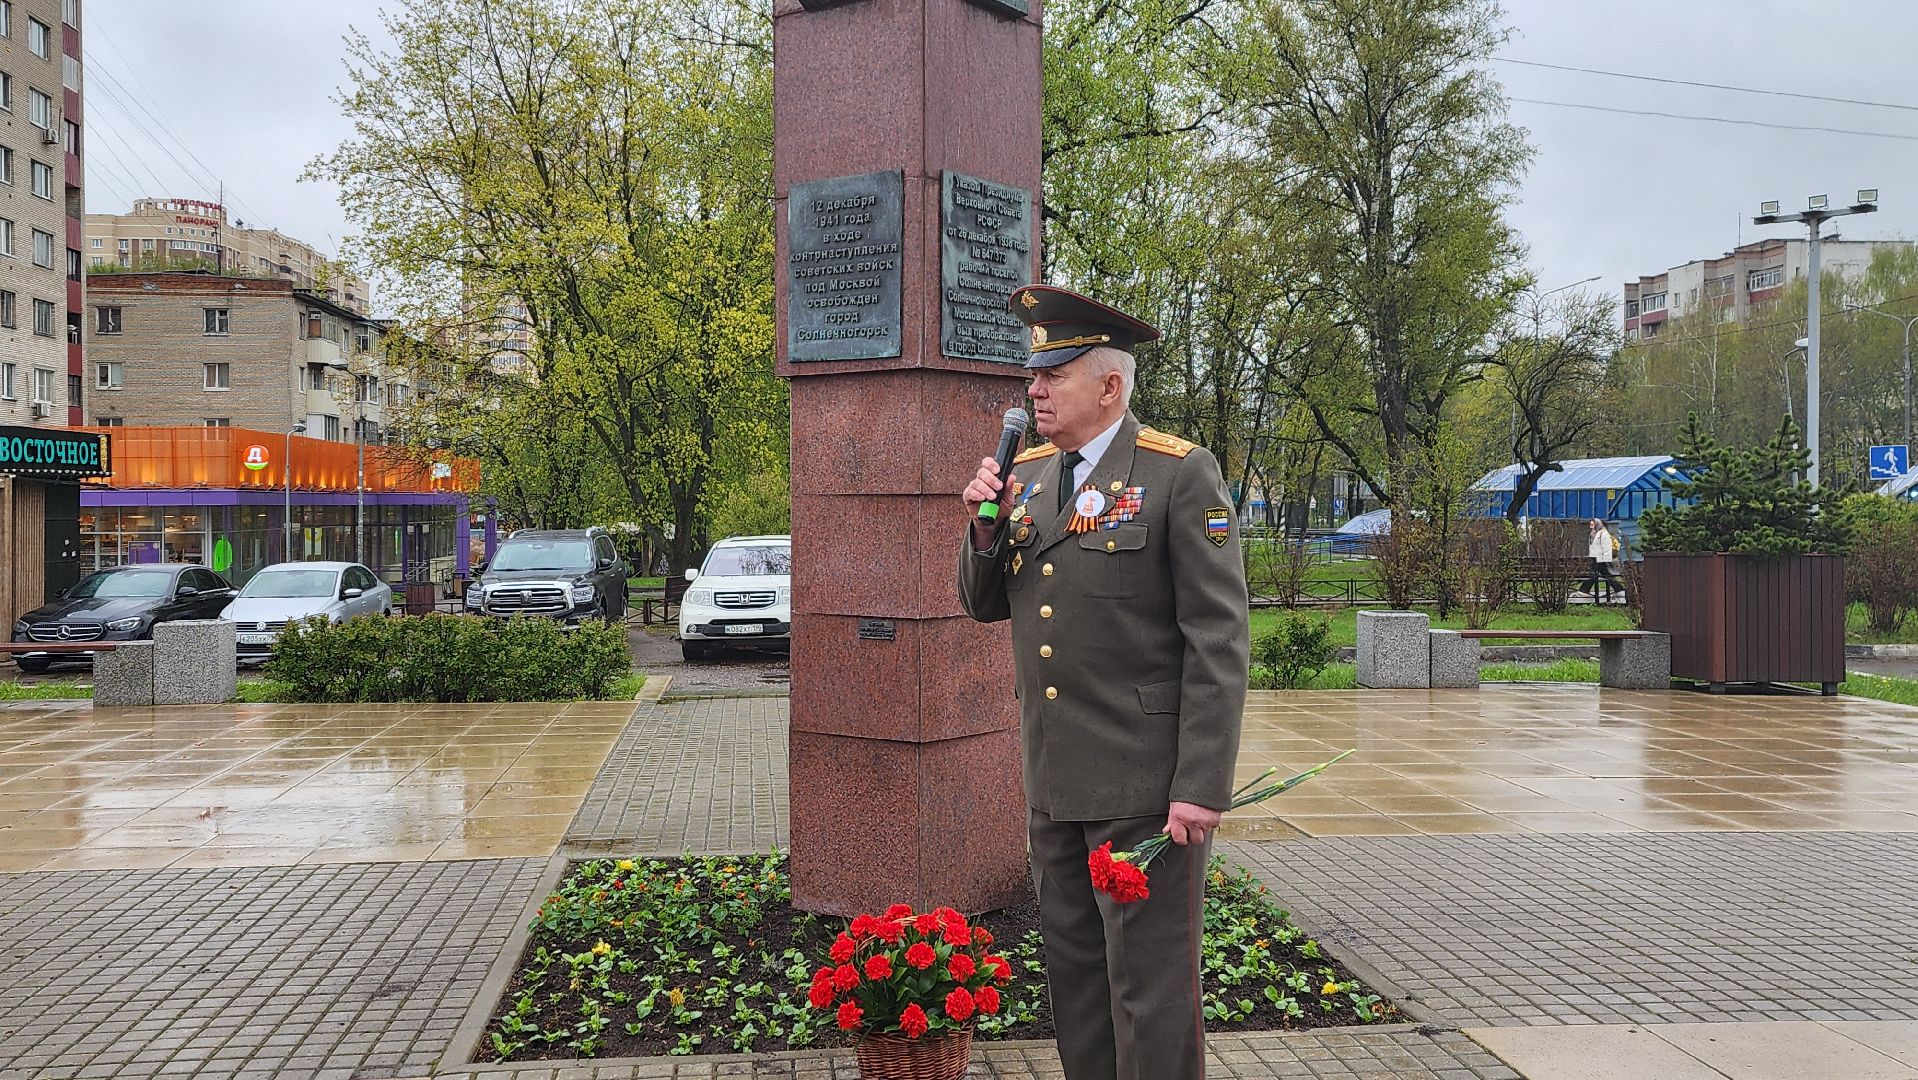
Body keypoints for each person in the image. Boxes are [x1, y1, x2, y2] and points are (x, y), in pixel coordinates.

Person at [958, 284, 1250, 1080]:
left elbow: (1218, 640)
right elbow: (984, 604)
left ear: (1110, 386)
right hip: (1056, 783)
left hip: (1145, 789)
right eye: (1034, 374)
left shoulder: (1177, 475)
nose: (1035, 389)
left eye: (1055, 374)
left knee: (1150, 994)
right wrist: (981, 524)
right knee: (1078, 984)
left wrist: (1200, 786)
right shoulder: (1032, 474)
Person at [1579, 517, 1624, 602]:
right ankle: (1619, 589)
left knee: (1594, 574)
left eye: (1592, 525)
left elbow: (1606, 547)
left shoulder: (1603, 534)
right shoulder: (1594, 534)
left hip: (1600, 559)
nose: (1590, 527)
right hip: (1595, 558)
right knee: (1606, 575)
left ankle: (1584, 590)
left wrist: (1606, 559)